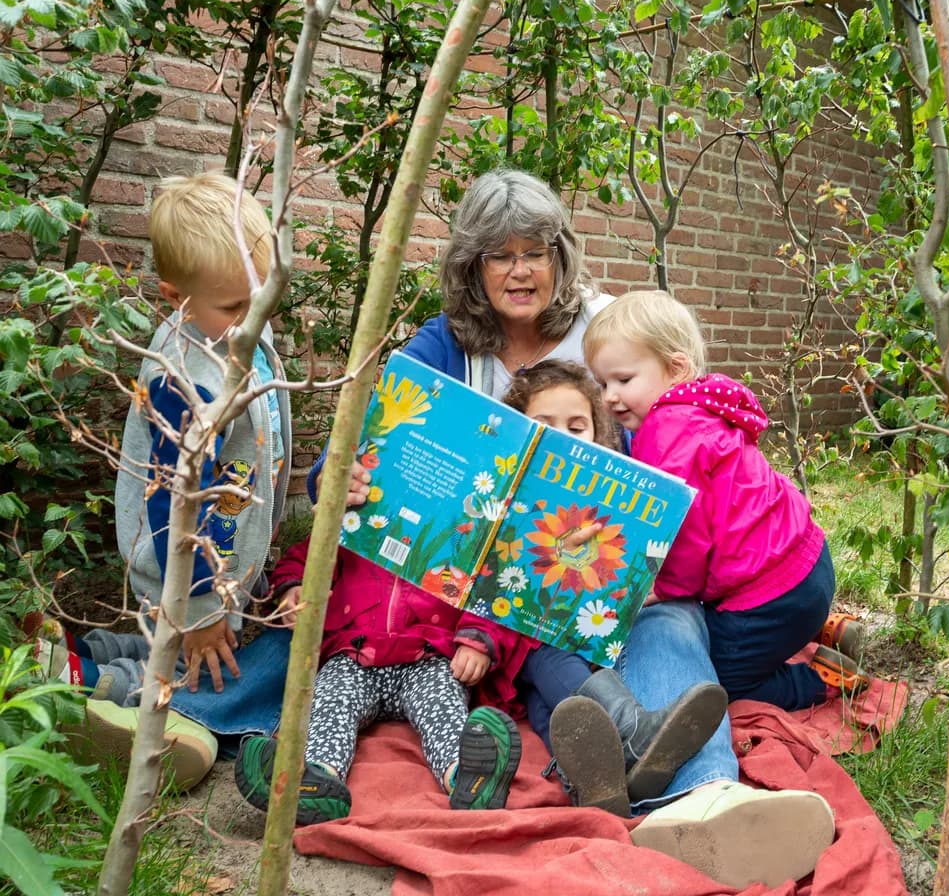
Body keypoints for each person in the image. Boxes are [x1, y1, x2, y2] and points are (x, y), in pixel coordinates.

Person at [309, 169, 836, 889]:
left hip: (628, 569)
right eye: (499, 255)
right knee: (540, 659)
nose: (520, 270)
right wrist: (343, 478)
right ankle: (626, 765)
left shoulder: (608, 325)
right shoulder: (443, 347)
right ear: (472, 266)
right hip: (499, 587)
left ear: (561, 255)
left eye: (536, 251)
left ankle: (706, 796)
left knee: (668, 623)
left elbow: (685, 432)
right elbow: (360, 443)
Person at [34, 173, 293, 789]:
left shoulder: (241, 337)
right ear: (175, 297)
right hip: (189, 568)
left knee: (185, 646)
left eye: (263, 297)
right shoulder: (186, 377)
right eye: (234, 307)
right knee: (211, 660)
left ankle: (89, 656)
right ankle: (118, 697)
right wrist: (201, 604)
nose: (252, 316)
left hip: (223, 557)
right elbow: (171, 504)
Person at [583, 289, 867, 711]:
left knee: (712, 678)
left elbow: (686, 533)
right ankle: (823, 629)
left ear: (676, 368)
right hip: (806, 566)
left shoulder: (667, 433)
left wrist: (664, 588)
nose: (609, 396)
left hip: (770, 594)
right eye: (603, 383)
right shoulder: (702, 407)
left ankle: (820, 680)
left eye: (623, 380)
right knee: (742, 633)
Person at [501, 360, 727, 816]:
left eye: (576, 426)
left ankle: (593, 785)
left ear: (596, 436)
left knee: (560, 709)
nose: (561, 437)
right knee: (546, 653)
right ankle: (634, 730)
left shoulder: (604, 494)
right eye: (543, 426)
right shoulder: (501, 491)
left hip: (588, 636)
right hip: (519, 636)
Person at [234, 538, 526, 824]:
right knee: (330, 702)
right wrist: (294, 586)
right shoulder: (357, 523)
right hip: (355, 653)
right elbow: (308, 553)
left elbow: (494, 589)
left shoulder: (471, 535)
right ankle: (316, 780)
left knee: (442, 708)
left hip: (428, 656)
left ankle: (468, 780)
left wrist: (477, 639)